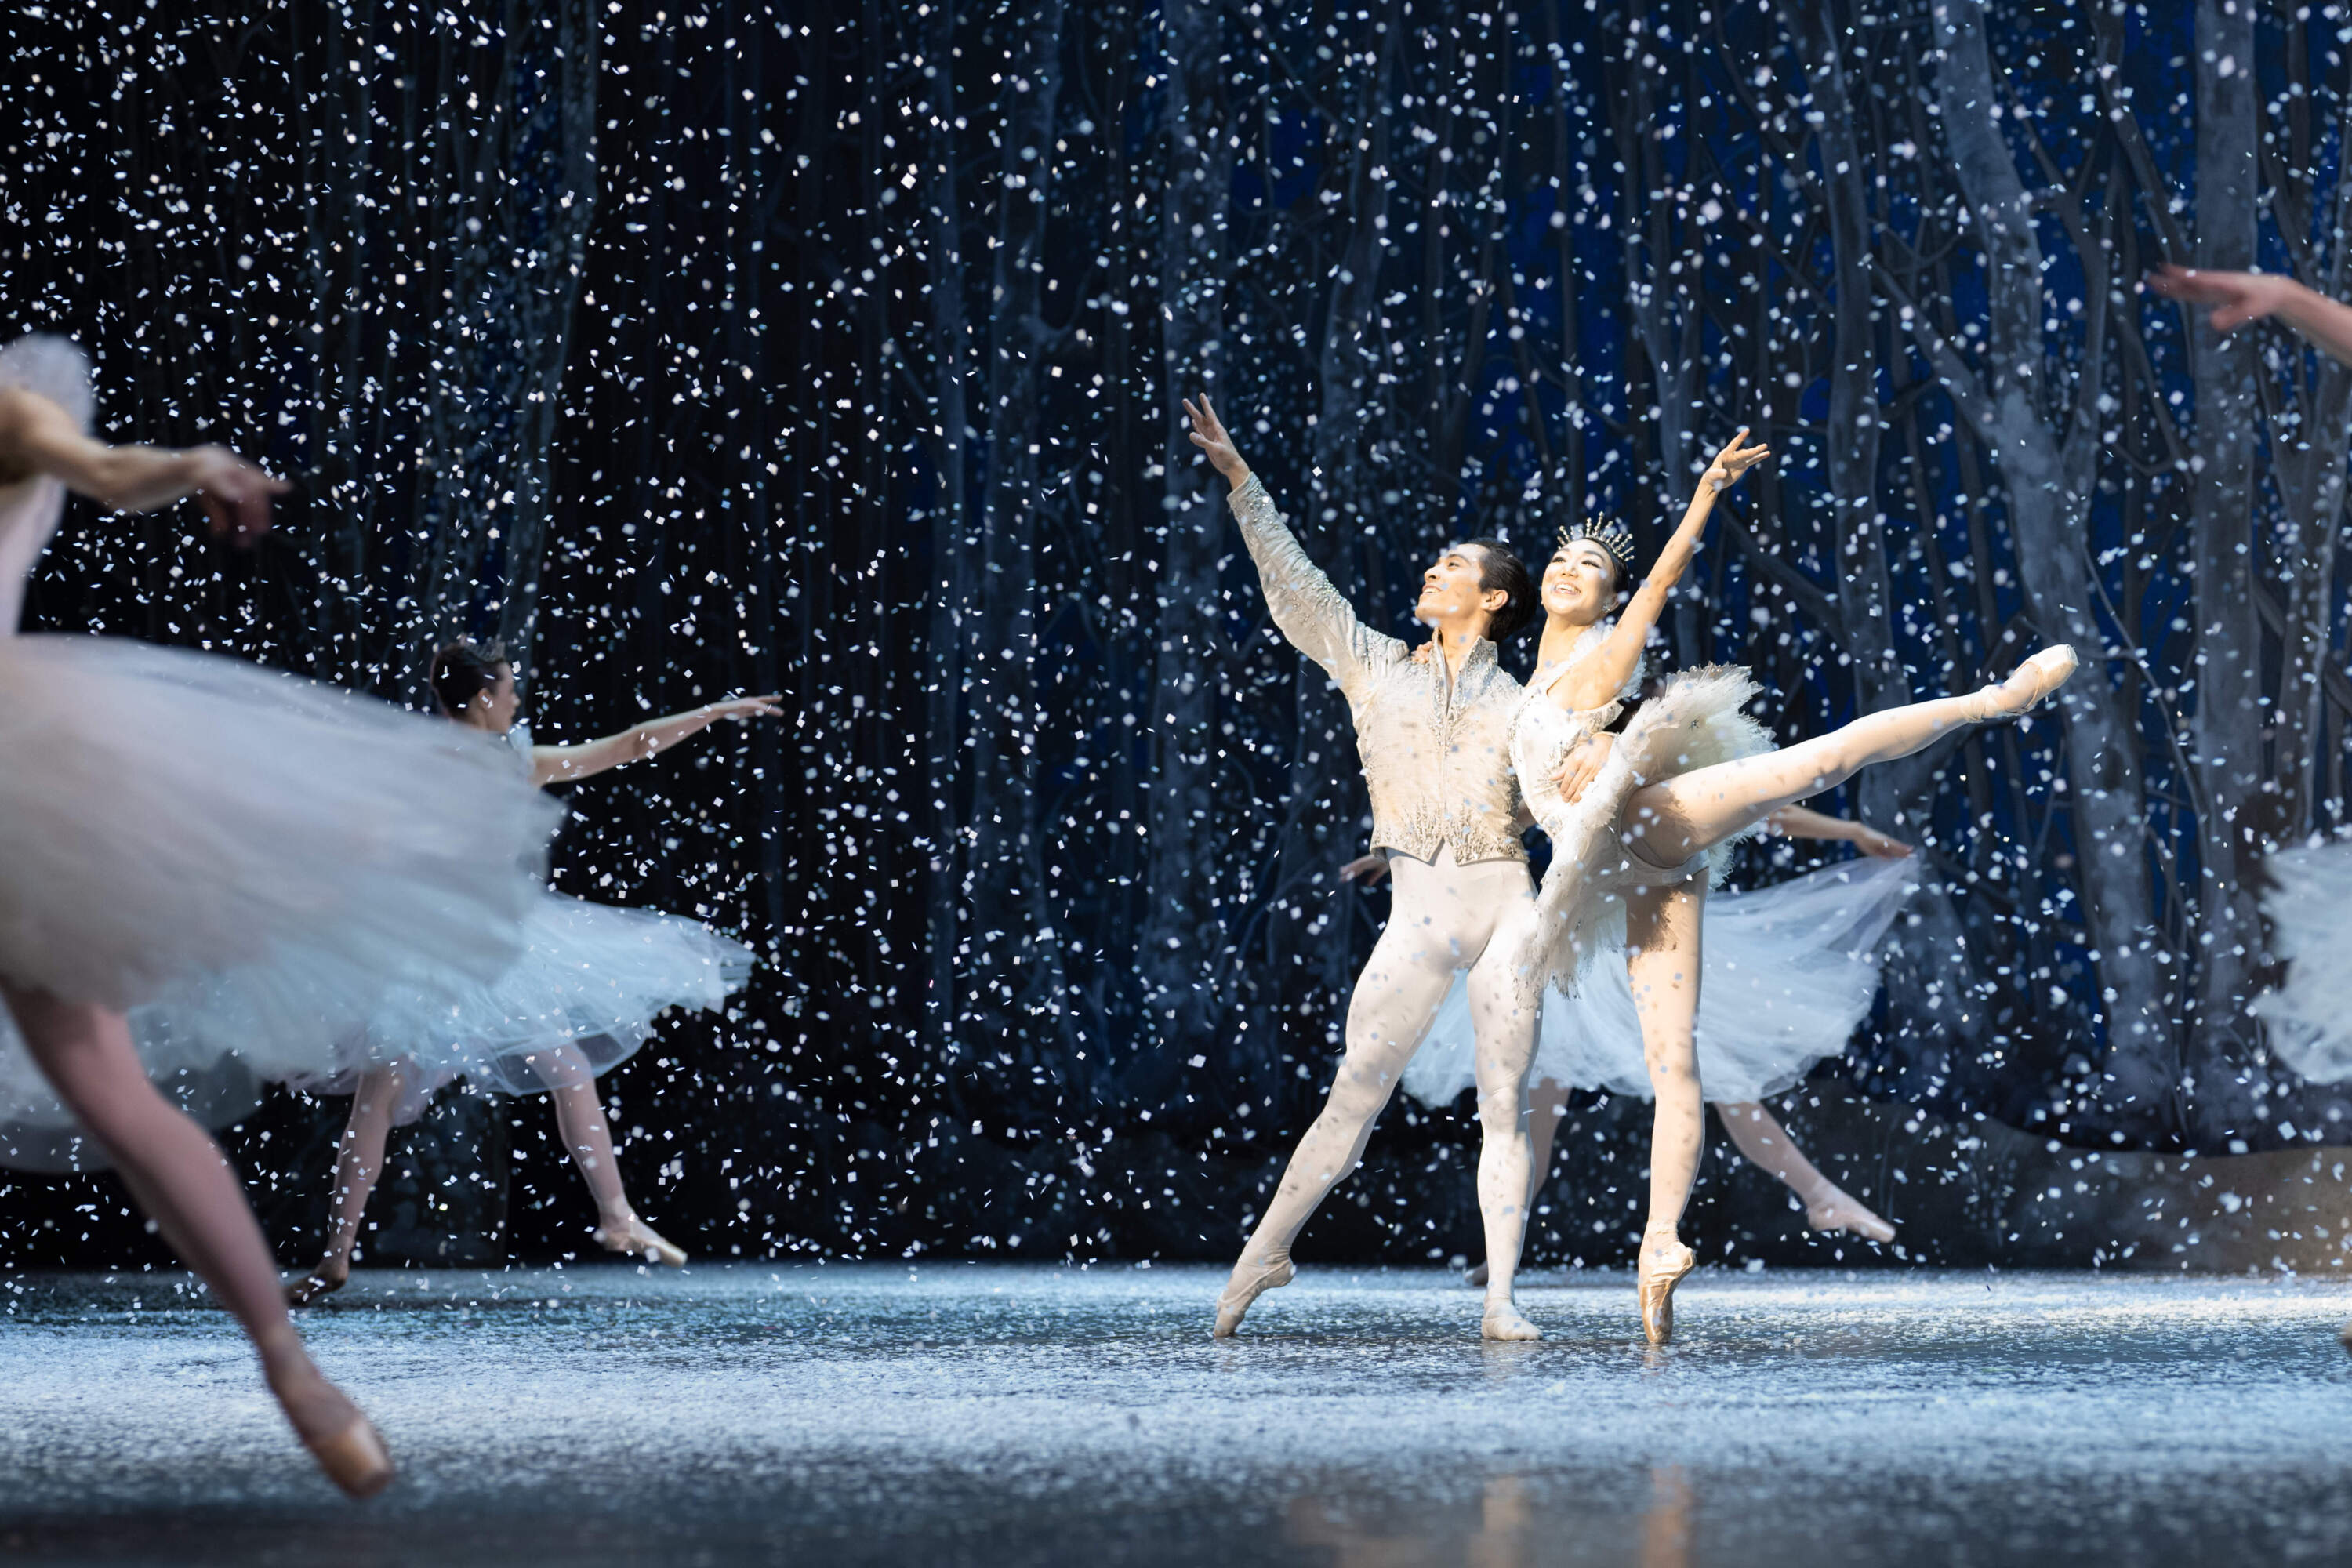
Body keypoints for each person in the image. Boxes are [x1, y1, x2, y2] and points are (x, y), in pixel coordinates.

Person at [0, 335, 564, 1497]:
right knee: (114, 1098)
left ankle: (291, 1364)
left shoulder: (16, 416)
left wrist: (191, 462)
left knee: (114, 1093)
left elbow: (99, 468)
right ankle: (295, 1374)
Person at [1464, 441, 2075, 1343]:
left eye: (1590, 565)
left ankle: (1993, 701)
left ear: (1603, 598)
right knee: (1672, 1062)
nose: (1569, 568)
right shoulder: (1523, 690)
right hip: (1606, 869)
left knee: (1812, 766)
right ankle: (1659, 1252)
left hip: (1649, 829)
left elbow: (1661, 584)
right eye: (1560, 558)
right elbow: (1508, 802)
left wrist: (1705, 493)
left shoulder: (1601, 657)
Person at [1182, 394, 1557, 1341]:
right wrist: (1242, 481)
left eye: (1456, 566)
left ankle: (1501, 1296)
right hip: (1420, 911)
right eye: (1438, 560)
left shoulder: (1527, 701)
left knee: (1503, 1103)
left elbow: (1562, 788)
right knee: (1355, 1092)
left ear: (1495, 600)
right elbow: (1301, 590)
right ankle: (1262, 1253)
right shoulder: (1375, 666)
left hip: (1505, 900)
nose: (1434, 569)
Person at [284, 639, 771, 1303]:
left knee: (385, 1099)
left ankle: (338, 1255)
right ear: (484, 697)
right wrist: (713, 712)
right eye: (509, 689)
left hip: (440, 940)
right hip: (462, 943)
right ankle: (616, 1214)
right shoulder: (497, 766)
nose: (516, 700)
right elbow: (625, 747)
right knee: (551, 1073)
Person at [1355, 806, 1914, 1287]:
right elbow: (1495, 823)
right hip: (1580, 948)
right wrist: (1405, 855)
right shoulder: (1584, 762)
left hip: (1635, 940)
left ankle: (1820, 1195)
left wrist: (1850, 831)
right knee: (1540, 1108)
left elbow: (1763, 809)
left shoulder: (1652, 763)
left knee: (1702, 1080)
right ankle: (1503, 1251)